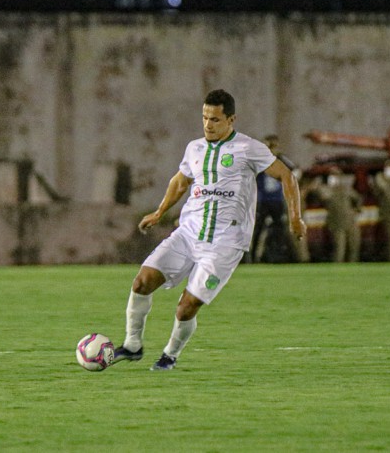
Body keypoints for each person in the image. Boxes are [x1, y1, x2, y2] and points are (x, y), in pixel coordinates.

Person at [113, 89, 306, 371]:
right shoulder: (194, 148)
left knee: (187, 305)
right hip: (189, 233)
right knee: (142, 282)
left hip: (226, 242)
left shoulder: (248, 148)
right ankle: (132, 345)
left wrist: (295, 218)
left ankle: (170, 355)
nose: (207, 124)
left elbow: (286, 176)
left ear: (231, 120)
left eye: (215, 119)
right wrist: (159, 212)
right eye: (204, 117)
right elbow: (180, 182)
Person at [251, 134, 297, 263]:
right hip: (263, 200)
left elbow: (293, 168)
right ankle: (253, 257)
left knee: (279, 228)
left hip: (276, 200)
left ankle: (277, 256)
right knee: (258, 228)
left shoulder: (281, 159)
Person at [320, 167, 362, 262]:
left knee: (354, 246)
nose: (335, 177)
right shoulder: (325, 188)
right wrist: (333, 187)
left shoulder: (346, 188)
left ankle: (353, 269)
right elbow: (324, 196)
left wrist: (357, 209)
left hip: (350, 221)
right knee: (340, 248)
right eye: (332, 175)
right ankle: (338, 270)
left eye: (337, 175)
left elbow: (358, 198)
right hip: (336, 223)